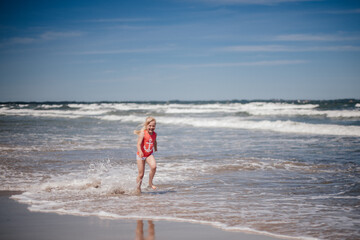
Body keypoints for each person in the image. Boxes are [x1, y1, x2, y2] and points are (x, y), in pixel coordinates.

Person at [134, 117, 158, 193]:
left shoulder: (154, 134)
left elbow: (154, 141)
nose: (151, 127)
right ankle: (138, 188)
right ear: (146, 125)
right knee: (141, 175)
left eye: (153, 126)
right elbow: (138, 144)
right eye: (150, 125)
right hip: (141, 155)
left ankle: (150, 183)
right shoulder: (143, 133)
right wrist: (140, 151)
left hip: (149, 154)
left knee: (154, 167)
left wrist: (155, 148)